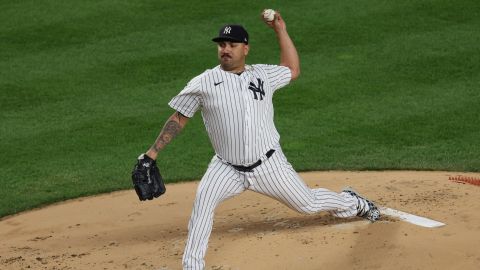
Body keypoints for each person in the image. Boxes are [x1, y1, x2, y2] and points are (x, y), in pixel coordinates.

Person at [137, 11, 380, 270]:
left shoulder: (262, 75)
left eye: (232, 45)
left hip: (268, 165)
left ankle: (353, 201)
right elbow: (179, 117)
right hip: (226, 167)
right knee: (202, 206)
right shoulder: (204, 82)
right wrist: (151, 154)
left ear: (246, 49)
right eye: (221, 45)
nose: (225, 50)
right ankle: (192, 266)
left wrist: (280, 29)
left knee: (307, 203)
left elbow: (292, 70)